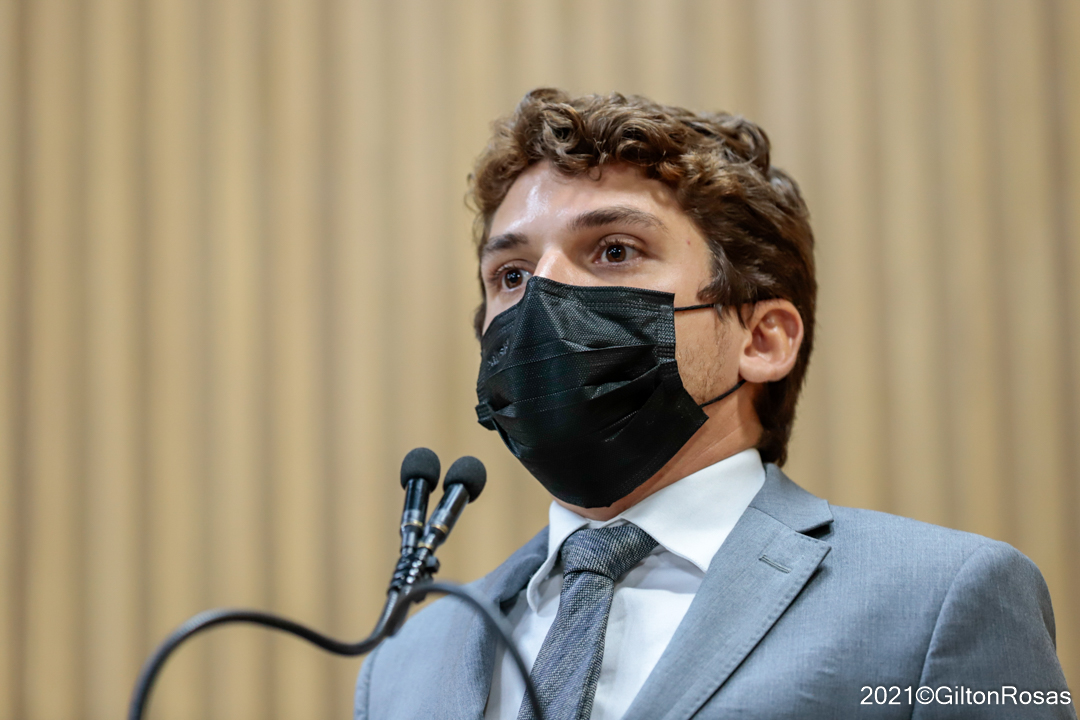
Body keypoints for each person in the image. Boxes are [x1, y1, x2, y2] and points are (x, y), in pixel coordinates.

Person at [355, 89, 1074, 719]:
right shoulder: (406, 659)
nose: (541, 296)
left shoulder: (943, 598)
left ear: (762, 339)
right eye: (511, 274)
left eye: (614, 250)